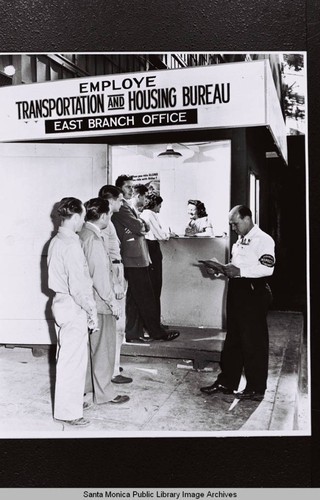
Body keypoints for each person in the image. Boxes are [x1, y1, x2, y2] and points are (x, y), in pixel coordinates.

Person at [200, 205, 275, 401]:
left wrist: (240, 272)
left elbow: (267, 269)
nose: (233, 228)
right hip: (237, 291)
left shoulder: (264, 239)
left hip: (253, 291)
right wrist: (218, 270)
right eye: (231, 224)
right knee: (233, 339)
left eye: (235, 223)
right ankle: (227, 381)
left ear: (247, 218)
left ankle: (256, 388)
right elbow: (236, 268)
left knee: (254, 341)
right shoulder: (240, 241)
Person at [47, 197, 98, 427]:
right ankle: (69, 412)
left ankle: (72, 401)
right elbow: (79, 286)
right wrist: (91, 310)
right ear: (75, 217)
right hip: (73, 305)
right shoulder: (70, 245)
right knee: (72, 361)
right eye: (82, 217)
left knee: (67, 356)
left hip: (60, 304)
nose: (83, 222)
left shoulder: (56, 241)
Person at [112, 174, 180, 343]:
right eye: (128, 187)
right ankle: (157, 332)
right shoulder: (121, 207)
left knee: (135, 298)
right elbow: (137, 226)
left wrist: (142, 225)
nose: (131, 190)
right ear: (119, 188)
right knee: (145, 296)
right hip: (132, 257)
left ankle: (134, 334)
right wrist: (141, 225)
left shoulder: (128, 207)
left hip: (137, 256)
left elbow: (141, 227)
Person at [79, 197, 129, 405]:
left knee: (93, 347)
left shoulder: (85, 233)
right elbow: (99, 276)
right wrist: (112, 302)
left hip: (92, 301)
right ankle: (104, 393)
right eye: (109, 213)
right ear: (102, 216)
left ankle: (88, 387)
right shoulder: (94, 239)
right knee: (103, 349)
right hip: (100, 302)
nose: (110, 217)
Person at [98, 184, 132, 385]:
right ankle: (111, 371)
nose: (122, 202)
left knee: (118, 327)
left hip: (117, 271)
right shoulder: (103, 223)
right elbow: (105, 256)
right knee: (115, 326)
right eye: (120, 199)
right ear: (110, 201)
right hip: (112, 276)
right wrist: (116, 283)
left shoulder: (109, 221)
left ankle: (113, 365)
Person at [140, 193, 170, 325]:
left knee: (153, 288)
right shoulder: (149, 215)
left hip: (150, 249)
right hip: (152, 249)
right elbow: (160, 234)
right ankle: (154, 323)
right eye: (160, 206)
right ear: (155, 204)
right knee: (155, 287)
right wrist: (168, 234)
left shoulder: (145, 214)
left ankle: (154, 322)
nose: (160, 209)